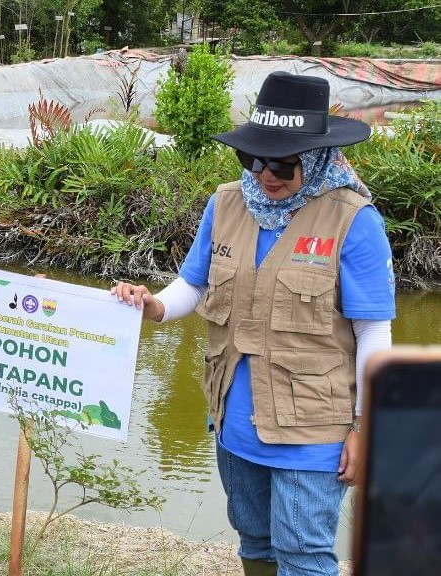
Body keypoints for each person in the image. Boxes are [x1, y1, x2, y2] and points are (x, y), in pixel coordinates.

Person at [112, 71, 395, 576]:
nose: (266, 174)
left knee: (304, 553)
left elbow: (373, 332)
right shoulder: (226, 203)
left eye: (284, 164)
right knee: (255, 541)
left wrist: (365, 426)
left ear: (316, 157)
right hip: (234, 419)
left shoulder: (355, 221)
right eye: (254, 158)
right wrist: (150, 305)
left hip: (314, 428)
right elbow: (192, 287)